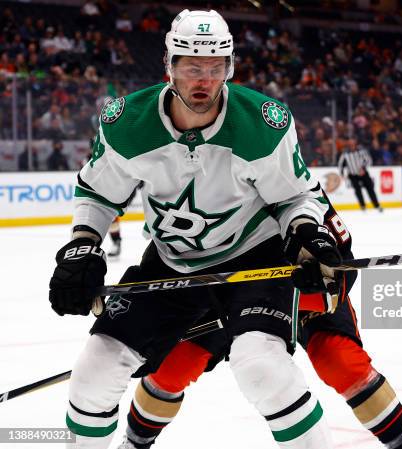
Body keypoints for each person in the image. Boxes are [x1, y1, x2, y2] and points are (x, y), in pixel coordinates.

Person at [49, 10, 343, 449]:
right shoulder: (125, 122)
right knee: (93, 373)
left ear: (229, 67)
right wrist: (83, 246)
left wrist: (306, 234)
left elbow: (294, 197)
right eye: (191, 67)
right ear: (169, 65)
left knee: (261, 366)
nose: (203, 80)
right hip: (172, 261)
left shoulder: (264, 123)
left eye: (214, 68)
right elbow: (98, 194)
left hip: (255, 257)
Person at [117, 196, 402, 449]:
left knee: (340, 361)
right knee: (172, 367)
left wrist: (314, 286)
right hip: (223, 295)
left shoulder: (297, 187)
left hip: (303, 295)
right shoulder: (203, 183)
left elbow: (342, 272)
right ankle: (133, 445)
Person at [337, 139, 383, 212]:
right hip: (352, 175)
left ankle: (377, 205)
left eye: (353, 144)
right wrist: (342, 174)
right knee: (357, 190)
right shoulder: (345, 154)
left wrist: (363, 169)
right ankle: (363, 206)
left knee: (370, 189)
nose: (352, 146)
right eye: (350, 144)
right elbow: (340, 164)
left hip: (363, 173)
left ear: (355, 144)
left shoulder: (361, 151)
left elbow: (369, 160)